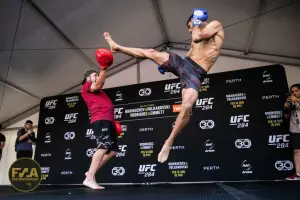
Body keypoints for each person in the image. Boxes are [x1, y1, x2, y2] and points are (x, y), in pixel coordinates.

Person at [103, 8, 224, 163]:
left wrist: (195, 23)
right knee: (152, 53)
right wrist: (167, 65)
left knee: (187, 106)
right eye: (189, 27)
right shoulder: (195, 31)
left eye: (189, 26)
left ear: (197, 20)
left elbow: (198, 37)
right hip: (184, 65)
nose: (189, 30)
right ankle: (117, 47)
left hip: (197, 73)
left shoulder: (215, 25)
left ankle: (169, 141)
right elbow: (192, 52)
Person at [81, 69, 119, 189]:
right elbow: (97, 84)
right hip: (100, 119)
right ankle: (90, 178)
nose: (97, 77)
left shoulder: (98, 88)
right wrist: (103, 68)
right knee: (103, 146)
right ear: (88, 78)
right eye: (94, 75)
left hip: (108, 120)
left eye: (98, 75)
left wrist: (102, 73)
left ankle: (90, 173)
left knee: (113, 151)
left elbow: (100, 83)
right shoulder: (86, 85)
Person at [284, 84, 300, 180]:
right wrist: (287, 108)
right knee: (297, 151)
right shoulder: (291, 101)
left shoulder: (296, 100)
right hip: (296, 129)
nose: (294, 93)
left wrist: (297, 100)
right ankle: (298, 174)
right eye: (292, 92)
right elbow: (286, 116)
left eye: (296, 90)